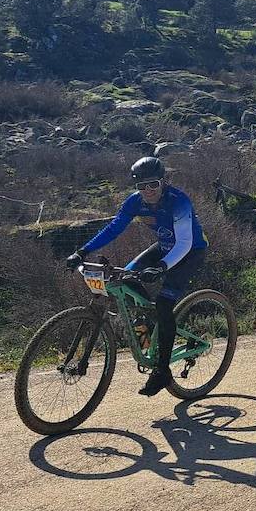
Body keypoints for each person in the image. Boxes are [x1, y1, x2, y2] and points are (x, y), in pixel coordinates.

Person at [68, 156, 208, 397]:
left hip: (190, 252)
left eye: (152, 184)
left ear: (162, 181)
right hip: (164, 247)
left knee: (165, 304)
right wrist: (82, 252)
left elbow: (184, 242)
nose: (148, 191)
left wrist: (162, 267)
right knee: (128, 279)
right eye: (141, 186)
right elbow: (113, 228)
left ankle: (163, 371)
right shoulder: (135, 202)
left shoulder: (178, 201)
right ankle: (151, 325)